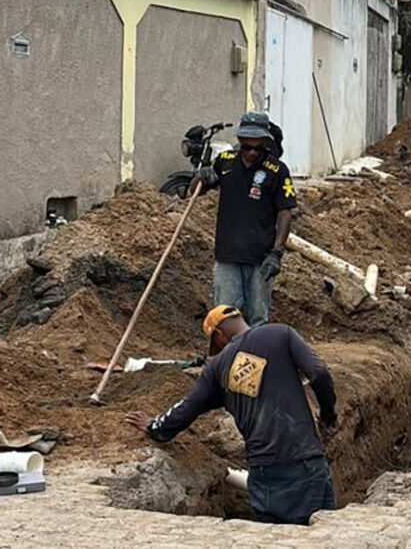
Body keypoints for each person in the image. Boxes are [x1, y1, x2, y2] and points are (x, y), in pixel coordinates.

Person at [125, 306, 339, 525]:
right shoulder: (280, 333)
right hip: (304, 462)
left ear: (218, 335)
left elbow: (185, 409)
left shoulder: (216, 368)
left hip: (262, 474)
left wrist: (155, 427)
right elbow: (319, 372)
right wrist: (328, 416)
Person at [191, 112, 297, 326]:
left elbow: (285, 212)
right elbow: (193, 192)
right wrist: (201, 177)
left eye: (257, 149)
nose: (251, 153)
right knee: (223, 317)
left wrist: (277, 253)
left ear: (266, 144)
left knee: (258, 316)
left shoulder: (276, 170)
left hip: (260, 258)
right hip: (227, 255)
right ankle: (224, 358)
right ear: (239, 141)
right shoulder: (225, 162)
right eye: (246, 147)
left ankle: (254, 356)